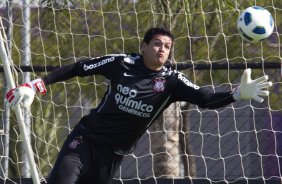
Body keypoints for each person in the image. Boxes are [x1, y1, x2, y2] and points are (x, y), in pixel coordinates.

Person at [5, 27, 272, 184]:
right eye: (157, 43)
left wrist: (237, 94)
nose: (162, 49)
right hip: (85, 140)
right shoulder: (121, 63)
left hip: (113, 155)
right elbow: (79, 67)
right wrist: (35, 85)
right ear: (144, 46)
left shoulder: (172, 81)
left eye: (167, 46)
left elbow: (204, 98)